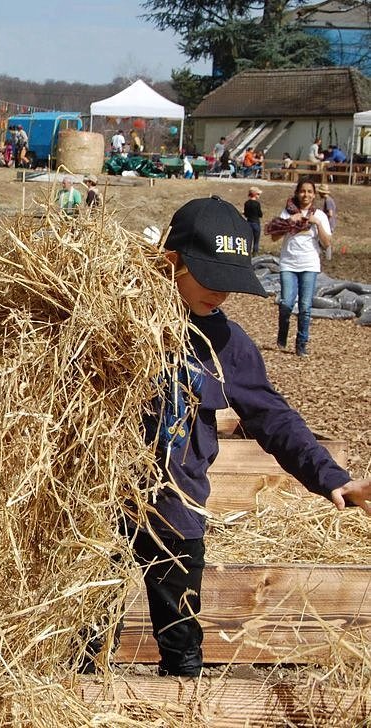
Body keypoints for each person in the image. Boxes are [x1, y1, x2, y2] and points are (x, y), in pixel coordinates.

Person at [118, 195, 371, 678]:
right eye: (209, 277)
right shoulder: (114, 321)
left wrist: (331, 477)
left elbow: (273, 417)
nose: (221, 293)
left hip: (176, 508)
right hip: (98, 505)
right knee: (86, 624)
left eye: (229, 281)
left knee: (181, 636)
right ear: (172, 261)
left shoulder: (227, 343)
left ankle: (181, 695)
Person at [264, 179, 332, 357]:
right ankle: (283, 333)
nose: (306, 195)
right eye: (302, 191)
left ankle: (301, 344)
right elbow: (274, 237)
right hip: (288, 263)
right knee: (286, 303)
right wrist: (289, 222)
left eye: (309, 191)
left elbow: (327, 243)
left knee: (305, 306)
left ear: (314, 195)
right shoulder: (288, 212)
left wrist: (317, 223)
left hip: (309, 264)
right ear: (297, 193)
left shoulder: (320, 215)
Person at [243, 186, 263, 256]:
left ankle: (247, 254)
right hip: (256, 223)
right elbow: (260, 214)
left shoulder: (246, 203)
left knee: (248, 240)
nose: (259, 196)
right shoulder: (257, 204)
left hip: (248, 223)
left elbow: (246, 214)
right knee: (256, 241)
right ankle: (255, 254)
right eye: (258, 194)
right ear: (254, 194)